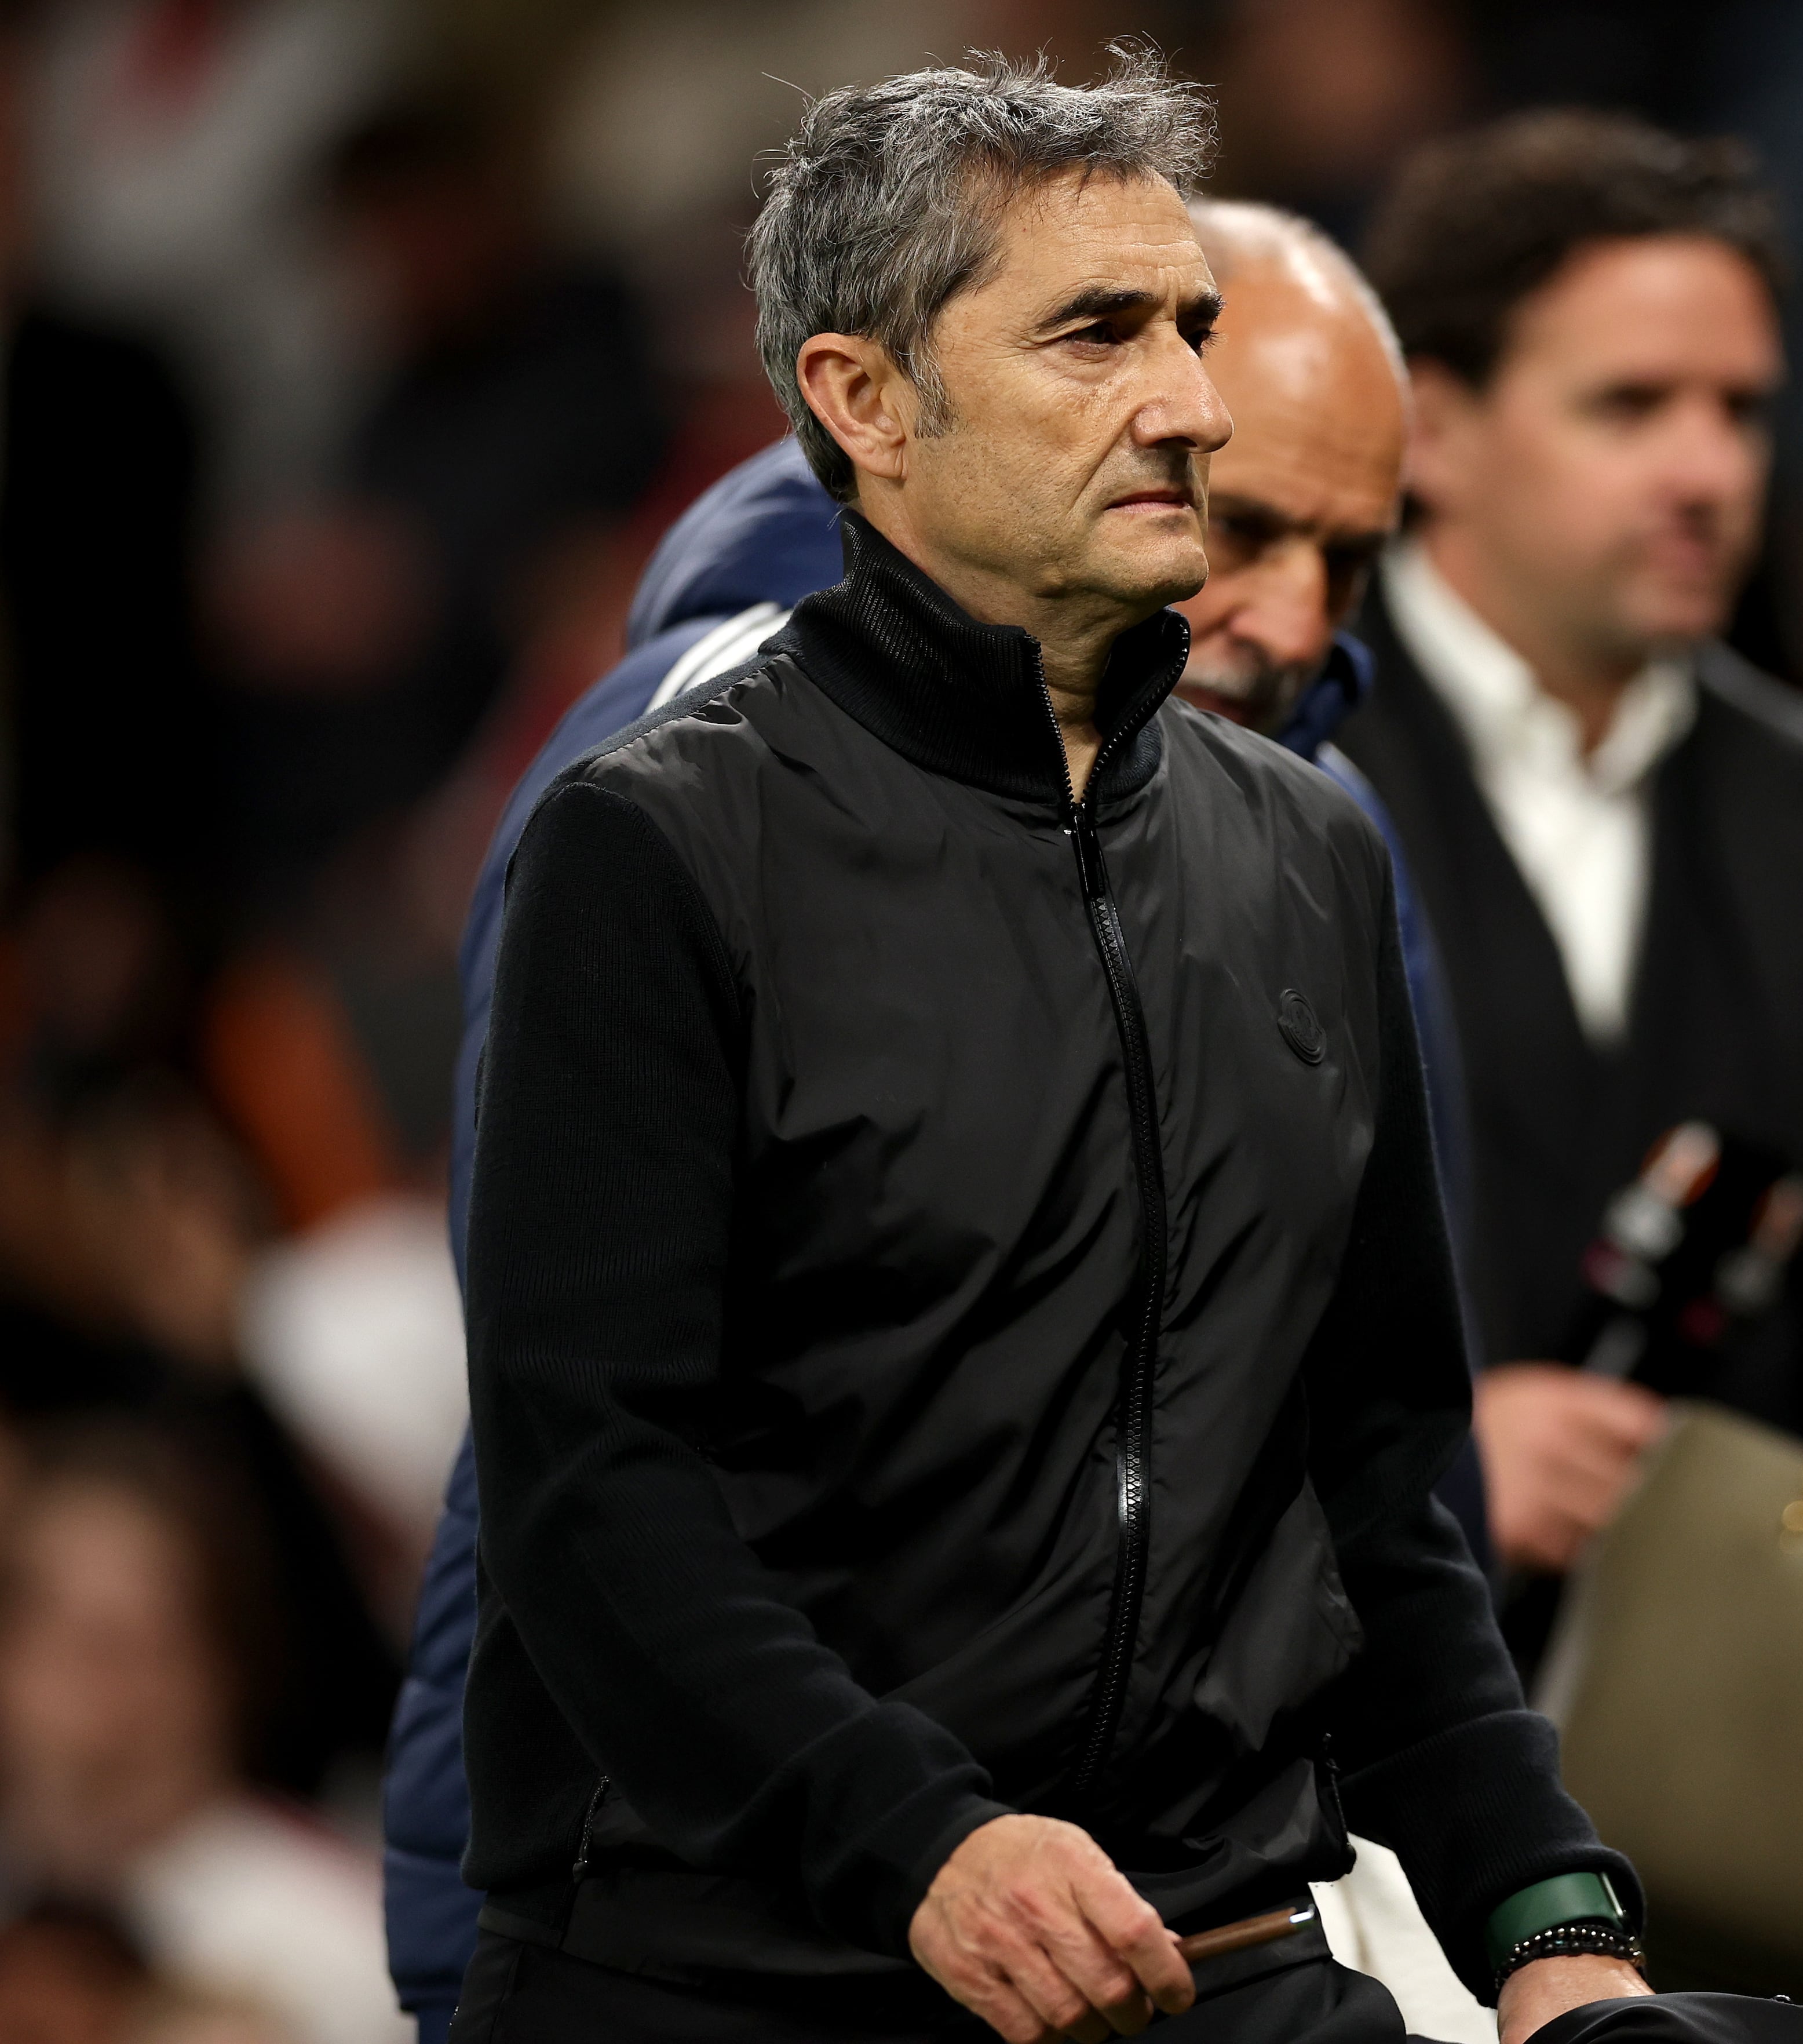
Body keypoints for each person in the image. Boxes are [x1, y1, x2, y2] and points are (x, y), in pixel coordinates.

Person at [452, 50, 1803, 2044]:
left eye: (1192, 326)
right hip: (743, 1964)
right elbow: (591, 1492)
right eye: (1098, 332)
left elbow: (1377, 1508)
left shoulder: (1309, 849)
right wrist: (930, 1840)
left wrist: (1553, 1926)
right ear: (864, 401)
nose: (1191, 400)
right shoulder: (657, 837)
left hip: (1216, 1961)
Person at [380, 194, 1489, 2041]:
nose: (1285, 610)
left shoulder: (1304, 829)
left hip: (1171, 1935)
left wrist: (1507, 1881)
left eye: (1351, 559)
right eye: (1243, 517)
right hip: (714, 1928)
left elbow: (1359, 1455)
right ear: (902, 408)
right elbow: (587, 1453)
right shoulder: (681, 795)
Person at [1341, 111, 1803, 1653]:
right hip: (1362, 1742)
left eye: (1742, 410)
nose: (1706, 468)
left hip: (1772, 1733)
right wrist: (1428, 1463)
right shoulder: (1257, 772)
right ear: (1433, 426)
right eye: (1630, 405)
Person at [0, 1422, 404, 2044]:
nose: (82, 1686)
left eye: (127, 1641)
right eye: (49, 1622)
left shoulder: (354, 1951)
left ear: (222, 1666)